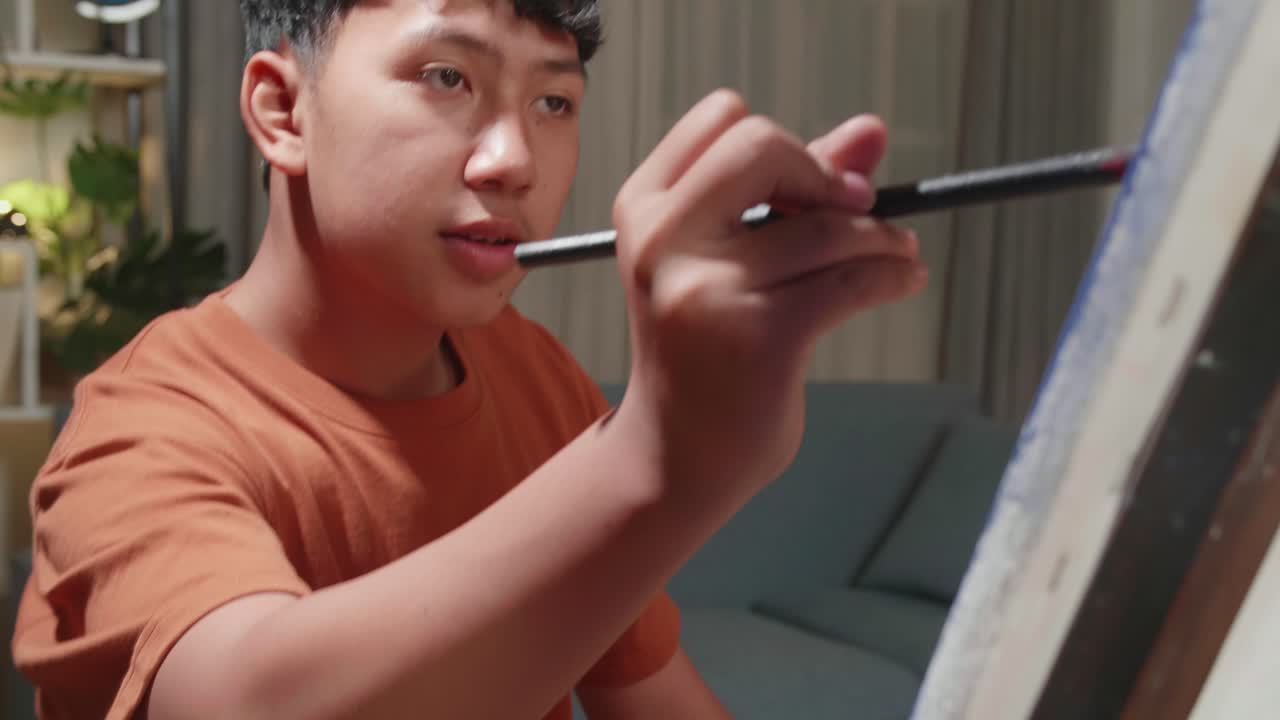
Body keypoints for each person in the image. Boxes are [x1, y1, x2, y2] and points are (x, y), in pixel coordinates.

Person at [11, 1, 928, 718]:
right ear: (283, 109)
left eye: (553, 101)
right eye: (447, 77)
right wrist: (661, 458)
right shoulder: (140, 425)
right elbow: (241, 702)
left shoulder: (536, 377)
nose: (514, 160)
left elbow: (649, 695)